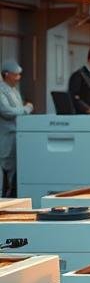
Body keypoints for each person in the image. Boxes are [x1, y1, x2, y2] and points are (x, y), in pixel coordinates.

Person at [0, 60, 32, 198]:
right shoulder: (1, 90)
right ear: (6, 74)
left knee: (13, 171)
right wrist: (26, 109)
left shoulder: (14, 91)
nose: (18, 78)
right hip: (5, 137)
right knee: (4, 170)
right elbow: (6, 111)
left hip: (16, 136)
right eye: (16, 75)